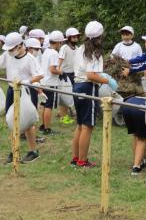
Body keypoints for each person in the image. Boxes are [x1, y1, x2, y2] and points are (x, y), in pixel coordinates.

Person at [0, 32, 44, 163]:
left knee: (27, 123)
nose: (9, 51)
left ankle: (33, 151)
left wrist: (28, 81)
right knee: (11, 121)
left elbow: (40, 74)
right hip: (12, 89)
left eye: (11, 49)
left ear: (20, 46)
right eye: (9, 49)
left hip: (26, 91)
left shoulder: (30, 59)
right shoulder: (8, 54)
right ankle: (14, 151)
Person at [71, 20, 118, 168]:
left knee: (79, 125)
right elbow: (91, 75)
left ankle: (75, 158)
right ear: (99, 37)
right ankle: (82, 161)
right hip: (87, 87)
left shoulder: (80, 49)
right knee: (87, 126)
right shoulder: (95, 53)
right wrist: (107, 80)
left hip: (76, 86)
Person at [39, 30, 65, 135]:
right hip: (51, 83)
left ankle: (43, 126)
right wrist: (61, 72)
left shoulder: (46, 51)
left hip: (43, 81)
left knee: (44, 105)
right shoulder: (54, 53)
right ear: (58, 43)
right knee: (48, 106)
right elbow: (53, 69)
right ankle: (47, 129)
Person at [121, 96, 146, 175]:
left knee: (135, 135)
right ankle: (136, 167)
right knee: (141, 139)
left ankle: (139, 160)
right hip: (142, 107)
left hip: (126, 104)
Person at [58, 27, 80, 124]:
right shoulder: (64, 48)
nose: (76, 38)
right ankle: (63, 117)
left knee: (73, 95)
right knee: (65, 96)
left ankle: (70, 114)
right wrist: (59, 72)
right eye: (73, 36)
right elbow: (59, 61)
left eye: (77, 36)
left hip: (74, 74)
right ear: (69, 38)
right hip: (65, 74)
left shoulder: (77, 48)